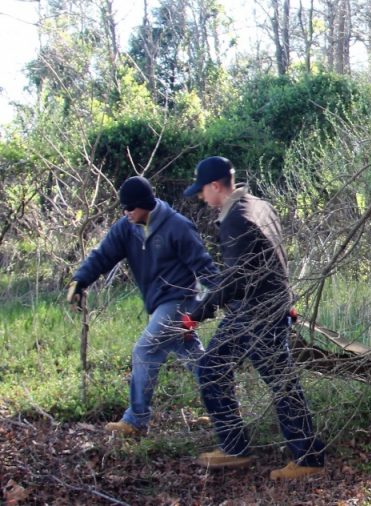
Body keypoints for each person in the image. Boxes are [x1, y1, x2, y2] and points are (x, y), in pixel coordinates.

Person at [183, 156, 325, 477]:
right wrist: (286, 300)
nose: (202, 198)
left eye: (203, 191)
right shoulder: (258, 205)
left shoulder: (237, 218)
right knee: (213, 368)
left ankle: (309, 460)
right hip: (260, 309)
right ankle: (235, 449)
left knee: (280, 383)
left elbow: (234, 278)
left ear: (216, 186)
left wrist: (197, 313)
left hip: (258, 314)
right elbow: (274, 259)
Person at [67, 176, 218, 435]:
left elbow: (206, 271)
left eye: (130, 208)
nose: (126, 213)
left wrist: (208, 304)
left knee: (144, 350)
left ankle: (136, 421)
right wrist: (80, 281)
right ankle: (224, 412)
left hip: (181, 301)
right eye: (123, 208)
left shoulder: (178, 227)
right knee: (194, 356)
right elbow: (103, 255)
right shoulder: (126, 228)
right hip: (159, 304)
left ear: (145, 205)